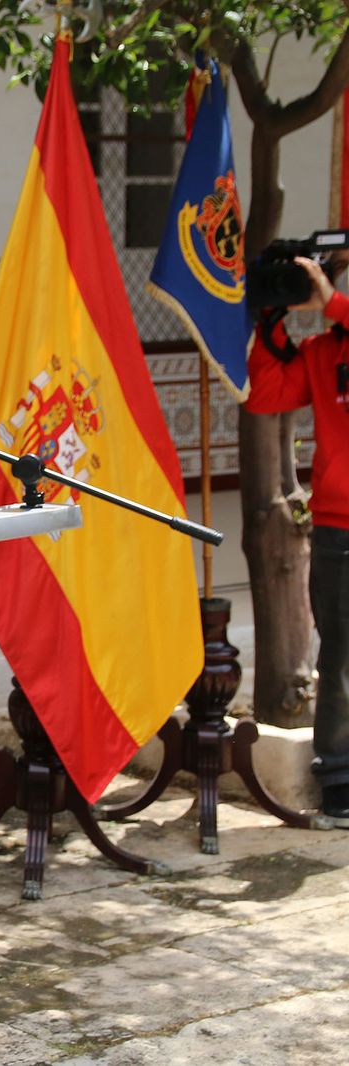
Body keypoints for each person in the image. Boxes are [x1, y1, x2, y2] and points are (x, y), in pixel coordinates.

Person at [245, 253, 349, 827]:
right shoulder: (322, 354)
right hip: (338, 526)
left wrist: (327, 298)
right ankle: (339, 779)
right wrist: (271, 325)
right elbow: (266, 396)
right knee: (338, 658)